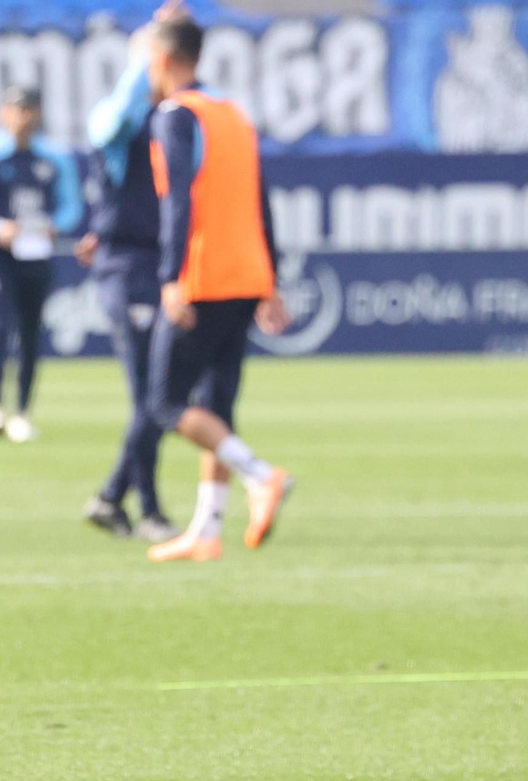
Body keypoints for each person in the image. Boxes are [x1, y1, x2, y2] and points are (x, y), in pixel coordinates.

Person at [139, 19, 295, 562]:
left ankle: (261, 475)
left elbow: (178, 199)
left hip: (203, 277)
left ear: (163, 60)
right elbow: (261, 199)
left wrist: (170, 277)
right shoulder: (232, 113)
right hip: (246, 275)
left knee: (164, 403)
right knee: (216, 407)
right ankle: (207, 530)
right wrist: (270, 279)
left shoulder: (175, 115)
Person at [75, 10, 179, 544]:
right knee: (152, 396)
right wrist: (146, 53)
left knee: (162, 394)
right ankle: (147, 509)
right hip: (129, 268)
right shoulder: (119, 122)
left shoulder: (172, 119)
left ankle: (114, 498)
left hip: (163, 268)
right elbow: (110, 123)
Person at [0, 85, 83, 443]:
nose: (22, 117)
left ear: (38, 114)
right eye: (16, 109)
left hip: (35, 255)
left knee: (30, 334)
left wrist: (55, 225)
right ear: (3, 113)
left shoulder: (54, 158)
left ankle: (23, 412)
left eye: (29, 109)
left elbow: (72, 207)